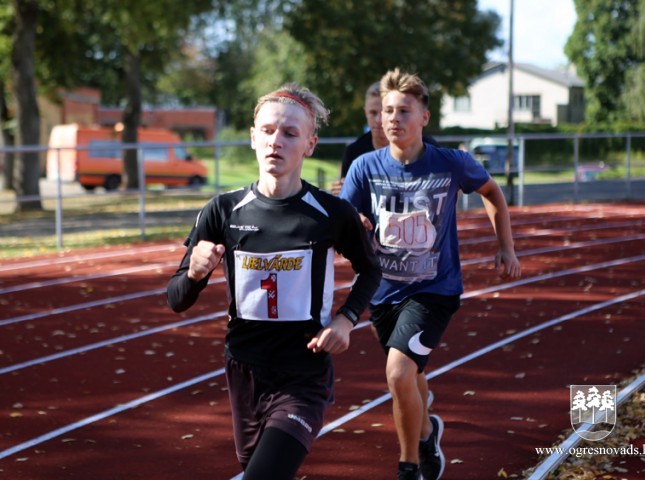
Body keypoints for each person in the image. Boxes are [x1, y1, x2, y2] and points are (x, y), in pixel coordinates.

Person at [167, 84, 381, 480]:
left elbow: (371, 269)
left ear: (310, 144)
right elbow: (176, 299)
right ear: (253, 137)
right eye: (267, 131)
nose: (275, 142)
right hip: (244, 370)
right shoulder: (223, 210)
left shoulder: (332, 213)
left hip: (304, 374)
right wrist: (195, 273)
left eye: (289, 133)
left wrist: (346, 319)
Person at [340, 68, 522, 480]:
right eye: (387, 111)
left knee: (398, 372)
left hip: (434, 290)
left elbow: (492, 192)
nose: (392, 119)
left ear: (424, 117)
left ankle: (409, 466)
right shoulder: (364, 167)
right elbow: (346, 215)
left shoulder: (451, 163)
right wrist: (354, 224)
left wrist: (506, 246)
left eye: (403, 111)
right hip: (382, 290)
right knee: (411, 373)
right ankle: (427, 433)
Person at [330, 81, 440, 195]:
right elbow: (348, 200)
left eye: (386, 112)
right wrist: (341, 195)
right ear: (365, 112)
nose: (379, 120)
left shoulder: (429, 148)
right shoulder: (354, 153)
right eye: (373, 113)